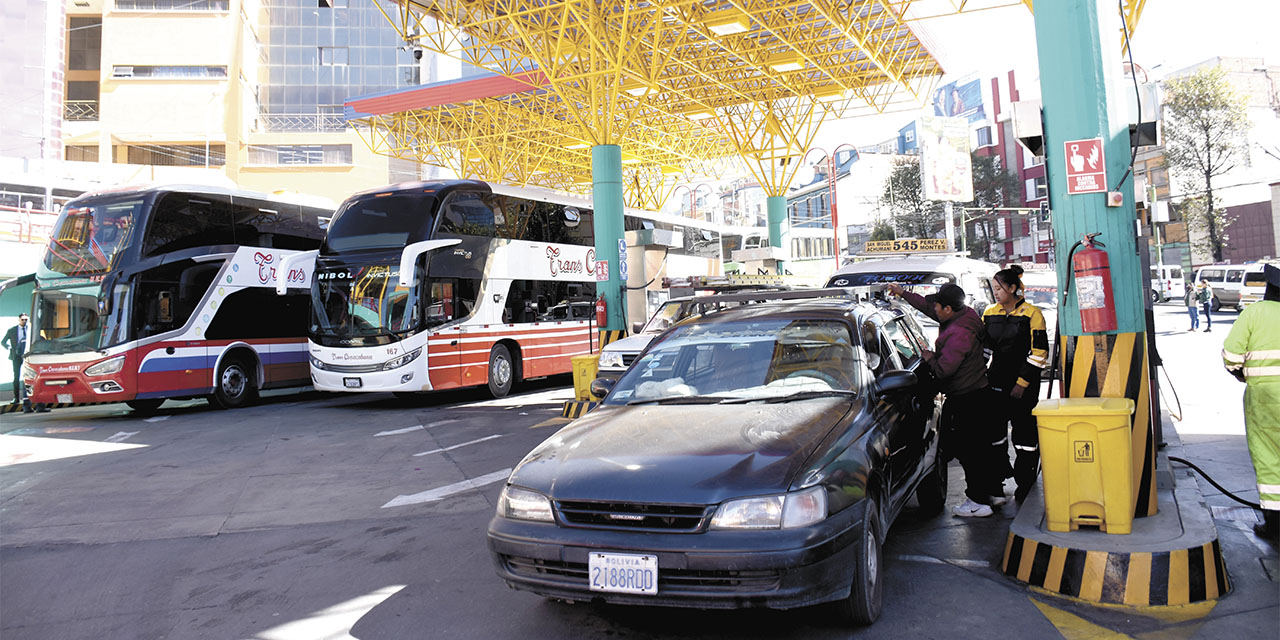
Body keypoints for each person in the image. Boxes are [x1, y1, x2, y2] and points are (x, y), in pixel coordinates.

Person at [887, 282, 1003, 518]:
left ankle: (978, 502)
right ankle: (992, 493)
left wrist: (929, 358)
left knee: (970, 451)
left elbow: (943, 371)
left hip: (967, 398)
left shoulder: (958, 334)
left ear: (948, 309)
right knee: (981, 447)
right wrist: (903, 293)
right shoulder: (964, 313)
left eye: (938, 305)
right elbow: (928, 307)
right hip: (977, 392)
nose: (934, 309)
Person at [982, 266, 1050, 503]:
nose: (996, 292)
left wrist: (1022, 383)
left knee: (1025, 439)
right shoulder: (989, 313)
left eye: (999, 288)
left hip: (1024, 386)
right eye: (994, 287)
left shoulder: (1033, 314)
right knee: (994, 436)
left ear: (1012, 288)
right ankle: (997, 482)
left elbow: (1040, 353)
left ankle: (1025, 483)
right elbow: (984, 349)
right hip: (996, 383)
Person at [1222, 264, 1280, 540]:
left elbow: (1232, 356)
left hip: (1264, 401)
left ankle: (1275, 527)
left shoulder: (1255, 314)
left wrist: (1240, 373)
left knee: (1270, 460)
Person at [3, 313, 44, 413]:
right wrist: (10, 348)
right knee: (16, 377)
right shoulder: (12, 330)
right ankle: (16, 397)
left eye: (26, 320)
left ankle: (35, 403)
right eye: (23, 320)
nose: (24, 321)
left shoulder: (30, 331)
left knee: (31, 377)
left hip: (28, 356)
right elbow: (3, 342)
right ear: (19, 320)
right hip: (16, 356)